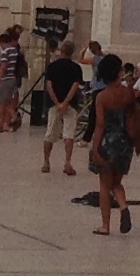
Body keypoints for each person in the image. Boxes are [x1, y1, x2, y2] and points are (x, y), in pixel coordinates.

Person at [86, 52, 140, 236]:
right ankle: (123, 205)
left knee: (104, 185)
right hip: (124, 142)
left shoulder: (102, 97)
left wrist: (95, 148)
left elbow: (100, 124)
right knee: (116, 182)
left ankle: (105, 225)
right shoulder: (128, 92)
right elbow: (135, 115)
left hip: (107, 142)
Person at [39, 39, 86, 177]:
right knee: (69, 134)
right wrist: (66, 102)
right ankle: (67, 162)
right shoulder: (76, 68)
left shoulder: (52, 66)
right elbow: (75, 86)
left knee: (50, 133)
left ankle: (46, 162)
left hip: (54, 104)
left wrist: (57, 102)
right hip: (70, 104)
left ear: (61, 51)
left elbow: (49, 85)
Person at [0, 25, 26, 133]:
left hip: (6, 79)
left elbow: (2, 66)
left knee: (1, 102)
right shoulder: (16, 51)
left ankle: (3, 122)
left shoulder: (5, 52)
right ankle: (7, 122)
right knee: (9, 102)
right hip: (13, 78)